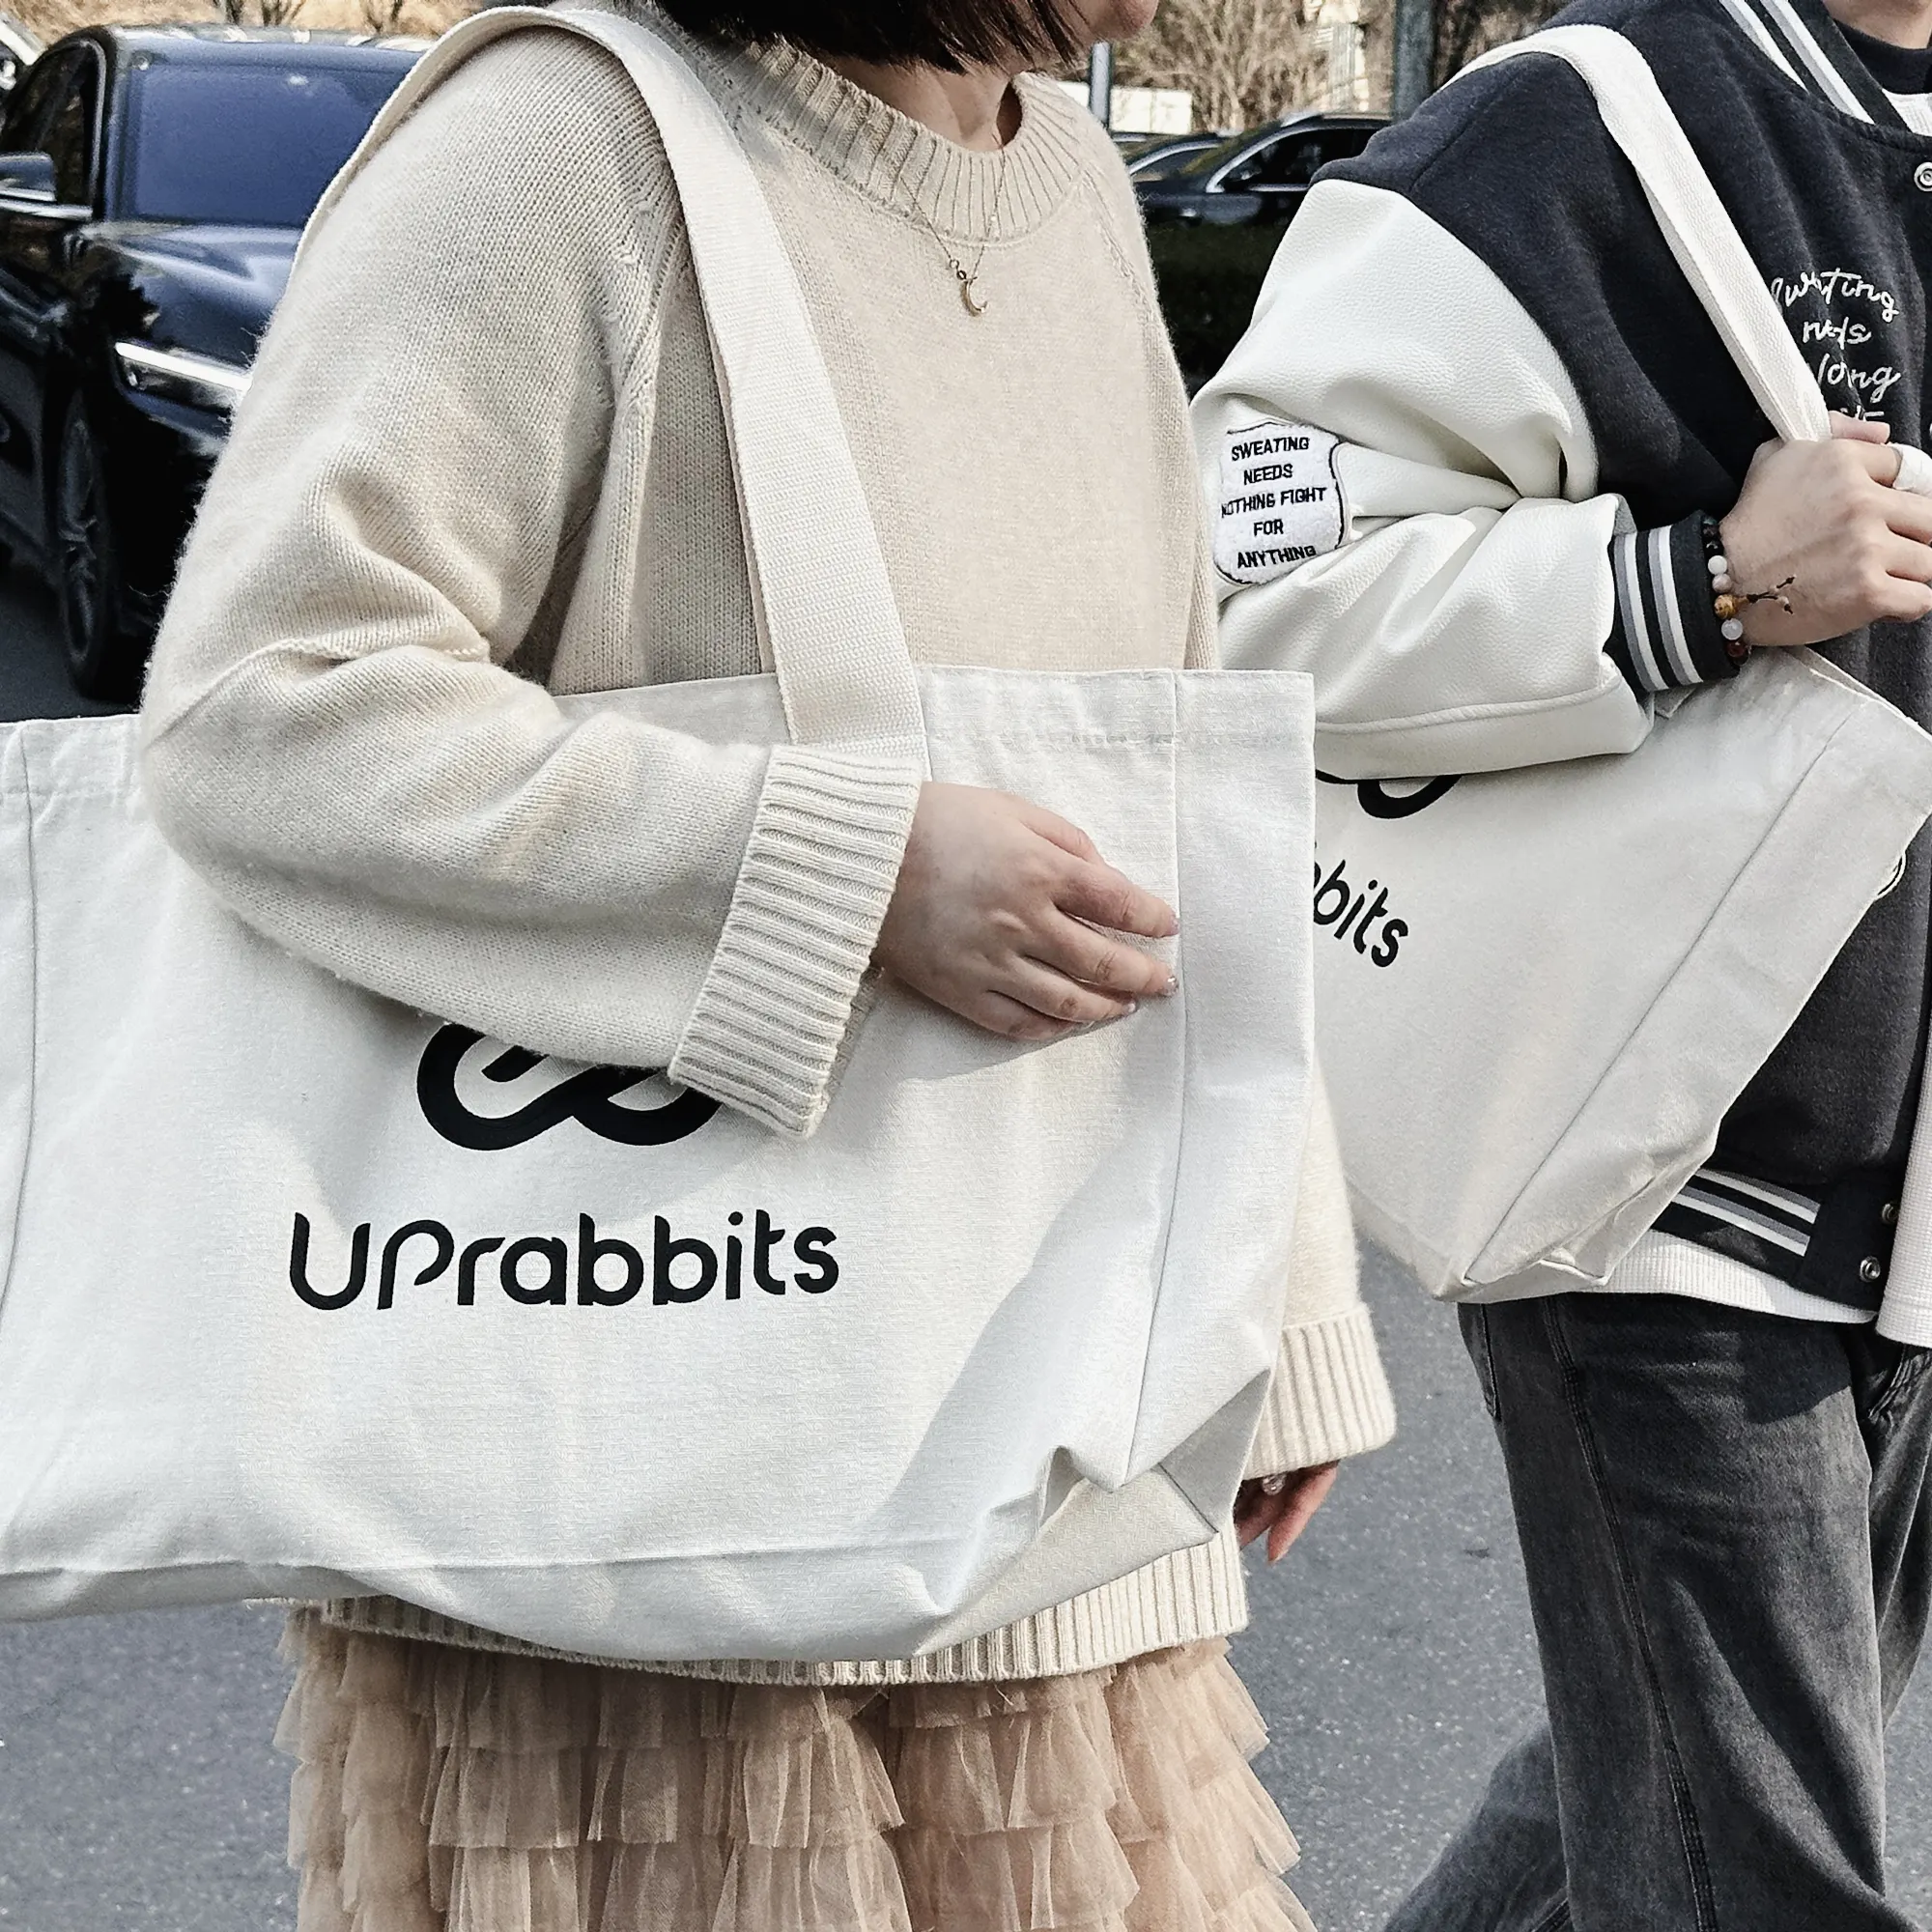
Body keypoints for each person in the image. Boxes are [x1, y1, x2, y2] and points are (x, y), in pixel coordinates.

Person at [136, 0, 1398, 1925]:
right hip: (650, 1537)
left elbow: (1180, 752)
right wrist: (848, 865)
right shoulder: (563, 146)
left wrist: (1283, 1304)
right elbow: (261, 712)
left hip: (1049, 1481)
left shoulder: (1055, 164)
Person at [1195, 0, 1932, 1924]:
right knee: (1754, 1874)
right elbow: (1235, 587)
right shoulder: (1586, 127)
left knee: (1649, 1804)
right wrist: (1691, 583)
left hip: (1916, 1223)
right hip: (1662, 1167)